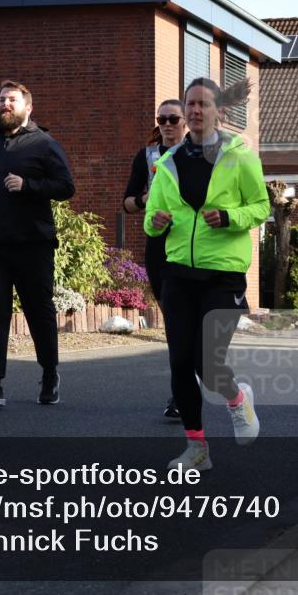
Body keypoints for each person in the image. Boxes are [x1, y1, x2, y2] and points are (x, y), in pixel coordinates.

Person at [145, 77, 268, 471]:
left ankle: (236, 399)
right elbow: (151, 219)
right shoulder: (167, 162)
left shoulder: (240, 156)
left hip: (223, 275)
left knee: (209, 362)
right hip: (178, 272)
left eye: (203, 104)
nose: (196, 111)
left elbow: (261, 206)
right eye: (191, 104)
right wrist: (156, 220)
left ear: (218, 112)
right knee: (181, 361)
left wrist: (232, 217)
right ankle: (197, 448)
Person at [0, 81, 75, 408]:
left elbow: (66, 187)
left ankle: (50, 373)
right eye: (1, 99)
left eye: (11, 100)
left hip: (33, 244)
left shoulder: (44, 144)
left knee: (38, 312)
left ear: (28, 108)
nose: (4, 104)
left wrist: (29, 185)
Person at [123, 99, 186, 419]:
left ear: (185, 121)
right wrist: (145, 198)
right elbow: (127, 204)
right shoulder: (146, 157)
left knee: (186, 323)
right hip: (159, 248)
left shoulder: (200, 155)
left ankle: (183, 390)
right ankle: (184, 389)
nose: (166, 124)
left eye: (173, 118)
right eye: (161, 119)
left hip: (194, 248)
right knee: (174, 323)